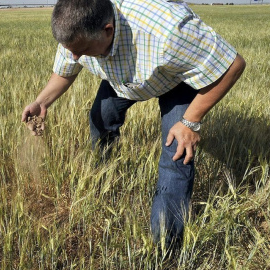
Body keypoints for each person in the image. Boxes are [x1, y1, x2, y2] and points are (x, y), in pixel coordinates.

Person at [21, 0, 246, 249]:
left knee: (176, 152)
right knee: (100, 120)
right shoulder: (77, 31)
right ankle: (102, 174)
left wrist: (190, 121)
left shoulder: (169, 32)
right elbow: (66, 69)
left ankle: (166, 246)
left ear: (108, 30)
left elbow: (232, 65)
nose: (75, 56)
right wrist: (42, 102)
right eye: (71, 49)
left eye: (83, 50)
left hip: (176, 80)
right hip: (121, 77)